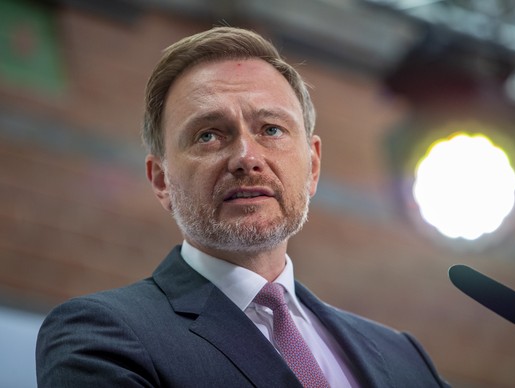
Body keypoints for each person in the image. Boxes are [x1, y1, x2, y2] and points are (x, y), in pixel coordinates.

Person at [36, 26, 449, 387]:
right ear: (161, 180)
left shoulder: (403, 357)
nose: (247, 157)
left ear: (313, 165)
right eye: (209, 136)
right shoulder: (102, 336)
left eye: (271, 129)